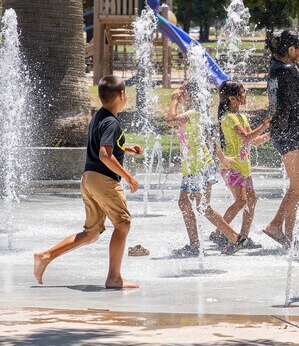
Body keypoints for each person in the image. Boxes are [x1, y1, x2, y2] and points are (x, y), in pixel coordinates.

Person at [33, 76, 142, 288]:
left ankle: (46, 256)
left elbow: (102, 144)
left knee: (91, 233)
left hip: (89, 179)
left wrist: (127, 148)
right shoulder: (113, 123)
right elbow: (104, 154)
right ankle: (114, 278)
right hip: (104, 180)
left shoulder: (99, 116)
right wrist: (128, 176)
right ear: (121, 96)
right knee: (123, 224)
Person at [167, 80, 241, 256]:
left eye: (183, 91)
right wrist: (221, 157)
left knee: (202, 207)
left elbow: (170, 120)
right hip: (195, 166)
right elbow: (209, 137)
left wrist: (174, 100)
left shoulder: (192, 113)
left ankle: (232, 237)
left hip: (198, 166)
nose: (180, 93)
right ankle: (195, 244)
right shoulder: (198, 114)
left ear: (191, 95)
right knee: (187, 203)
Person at [264, 30, 299, 248]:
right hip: (291, 133)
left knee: (297, 186)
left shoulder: (275, 68)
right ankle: (277, 227)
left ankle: (286, 234)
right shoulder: (289, 71)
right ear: (291, 50)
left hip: (282, 132)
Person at [212, 80, 270, 252]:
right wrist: (264, 125)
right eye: (242, 92)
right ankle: (218, 232)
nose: (245, 94)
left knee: (251, 199)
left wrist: (271, 132)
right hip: (232, 166)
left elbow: (254, 140)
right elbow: (246, 137)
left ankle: (243, 237)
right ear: (232, 98)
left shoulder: (242, 117)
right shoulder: (228, 118)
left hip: (244, 168)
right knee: (242, 200)